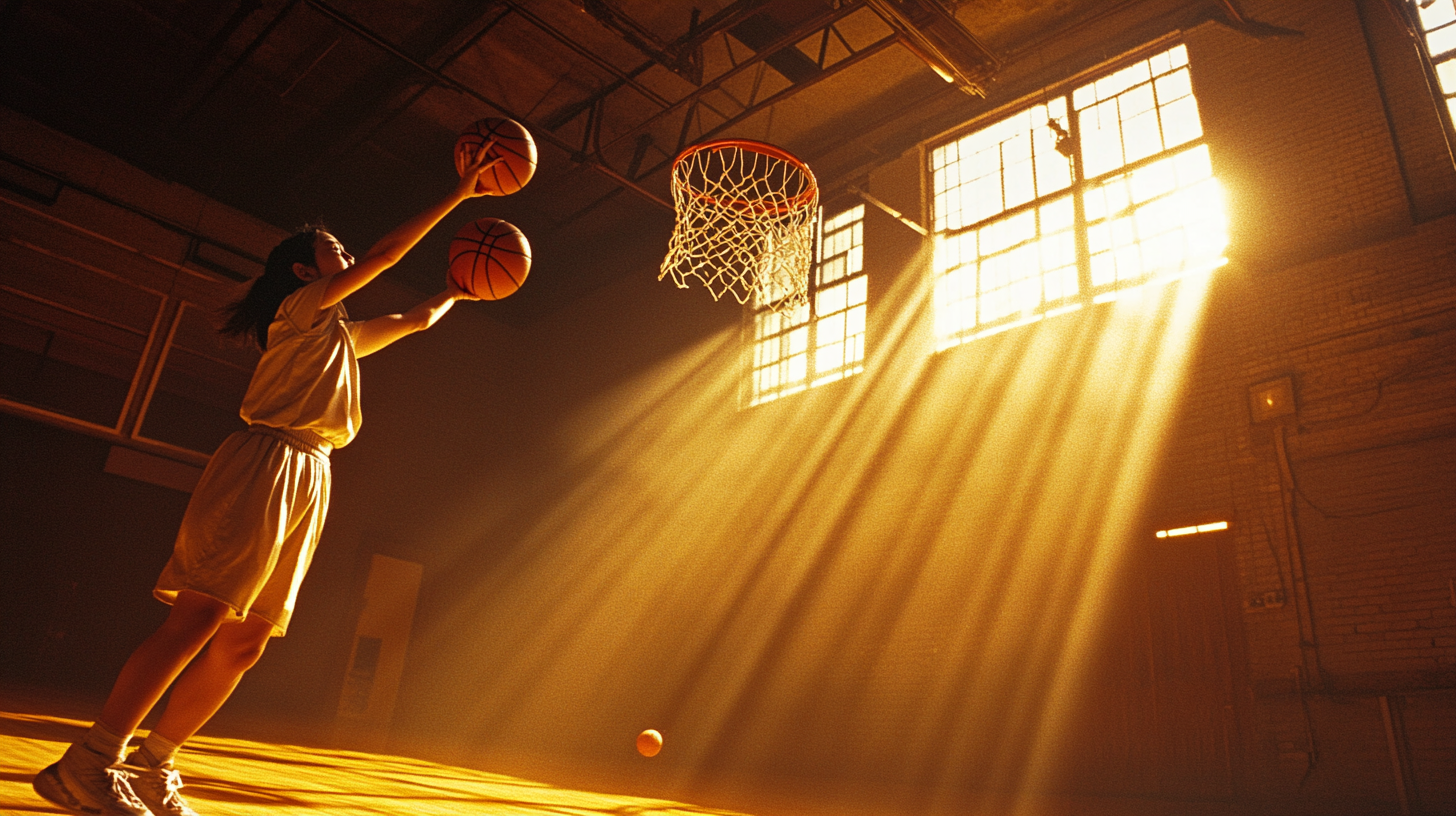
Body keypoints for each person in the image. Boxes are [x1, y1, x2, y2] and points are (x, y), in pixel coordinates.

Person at [31, 145, 505, 816]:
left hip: (314, 471)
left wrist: (461, 288)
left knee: (245, 638)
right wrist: (462, 193)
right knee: (200, 615)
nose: (347, 257)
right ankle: (90, 759)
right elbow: (386, 258)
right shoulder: (302, 310)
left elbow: (415, 318)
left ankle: (151, 765)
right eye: (335, 250)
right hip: (267, 461)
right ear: (304, 270)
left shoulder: (336, 333)